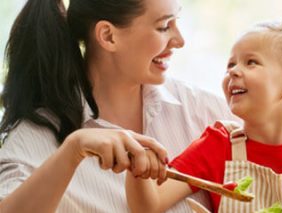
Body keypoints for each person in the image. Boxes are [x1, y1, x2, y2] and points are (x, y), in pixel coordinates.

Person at [0, 0, 235, 212]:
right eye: (164, 26)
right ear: (108, 36)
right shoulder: (33, 140)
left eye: (176, 21)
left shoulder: (205, 111)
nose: (180, 41)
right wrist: (73, 150)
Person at [126, 21, 282, 213]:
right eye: (230, 64)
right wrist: (136, 167)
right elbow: (149, 205)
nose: (233, 71)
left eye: (251, 62)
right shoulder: (218, 144)